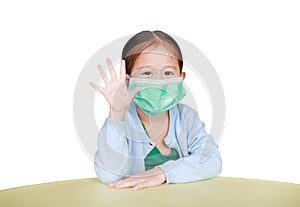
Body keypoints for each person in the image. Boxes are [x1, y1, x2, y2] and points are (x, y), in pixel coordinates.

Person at [89, 30, 222, 191]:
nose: (158, 82)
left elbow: (212, 160)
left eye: (168, 73)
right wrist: (116, 113)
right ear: (127, 79)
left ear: (181, 78)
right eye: (147, 73)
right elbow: (108, 175)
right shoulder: (123, 119)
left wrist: (162, 173)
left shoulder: (187, 118)